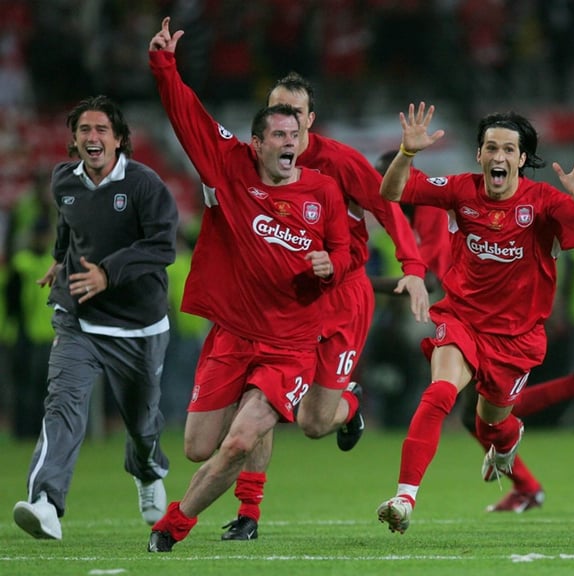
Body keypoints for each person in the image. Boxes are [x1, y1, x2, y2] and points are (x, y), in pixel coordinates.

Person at [146, 17, 351, 552]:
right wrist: (164, 65)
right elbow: (188, 117)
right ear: (256, 143)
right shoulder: (229, 169)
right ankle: (242, 503)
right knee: (197, 446)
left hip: (290, 344)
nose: (289, 144)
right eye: (279, 136)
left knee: (240, 439)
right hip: (232, 334)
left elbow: (344, 249)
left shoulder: (324, 190)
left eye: (296, 135)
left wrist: (332, 264)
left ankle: (173, 527)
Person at [375, 104, 574, 534]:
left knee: (491, 424)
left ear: (522, 159)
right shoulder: (460, 190)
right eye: (490, 148)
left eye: (507, 149)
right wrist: (407, 153)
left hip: (517, 338)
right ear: (479, 155)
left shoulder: (543, 203)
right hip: (462, 318)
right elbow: (393, 192)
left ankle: (506, 440)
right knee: (440, 393)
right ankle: (405, 497)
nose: (498, 156)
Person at [219, 72, 431, 542]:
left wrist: (412, 265)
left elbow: (387, 207)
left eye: (294, 113)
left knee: (313, 423)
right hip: (283, 298)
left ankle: (348, 405)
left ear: (310, 119)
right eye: (277, 109)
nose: (285, 121)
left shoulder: (340, 161)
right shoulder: (255, 158)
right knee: (262, 395)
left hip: (340, 297)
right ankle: (249, 512)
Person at [11, 95, 179, 540]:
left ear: (120, 139)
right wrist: (57, 260)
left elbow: (163, 246)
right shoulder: (64, 180)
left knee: (142, 424)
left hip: (139, 324)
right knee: (62, 406)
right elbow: (69, 228)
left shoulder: (145, 185)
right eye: (85, 130)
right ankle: (44, 503)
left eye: (102, 129)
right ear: (74, 139)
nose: (92, 137)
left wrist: (108, 273)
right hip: (79, 318)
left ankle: (146, 471)